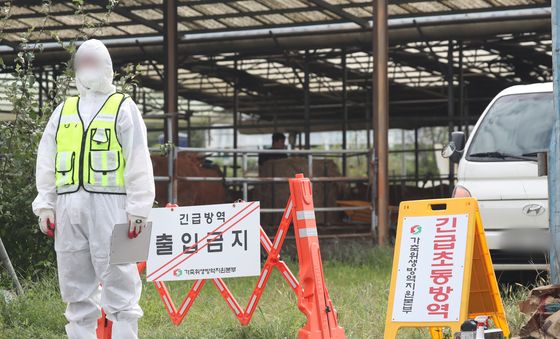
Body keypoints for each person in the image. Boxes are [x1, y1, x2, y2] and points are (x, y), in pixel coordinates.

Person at [32, 39, 155, 339]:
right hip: (68, 210)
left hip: (114, 210)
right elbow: (47, 160)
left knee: (121, 282)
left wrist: (139, 209)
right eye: (82, 62)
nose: (87, 68)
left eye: (93, 62)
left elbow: (138, 158)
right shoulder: (64, 111)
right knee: (75, 286)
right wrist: (46, 204)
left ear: (107, 67)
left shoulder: (123, 107)